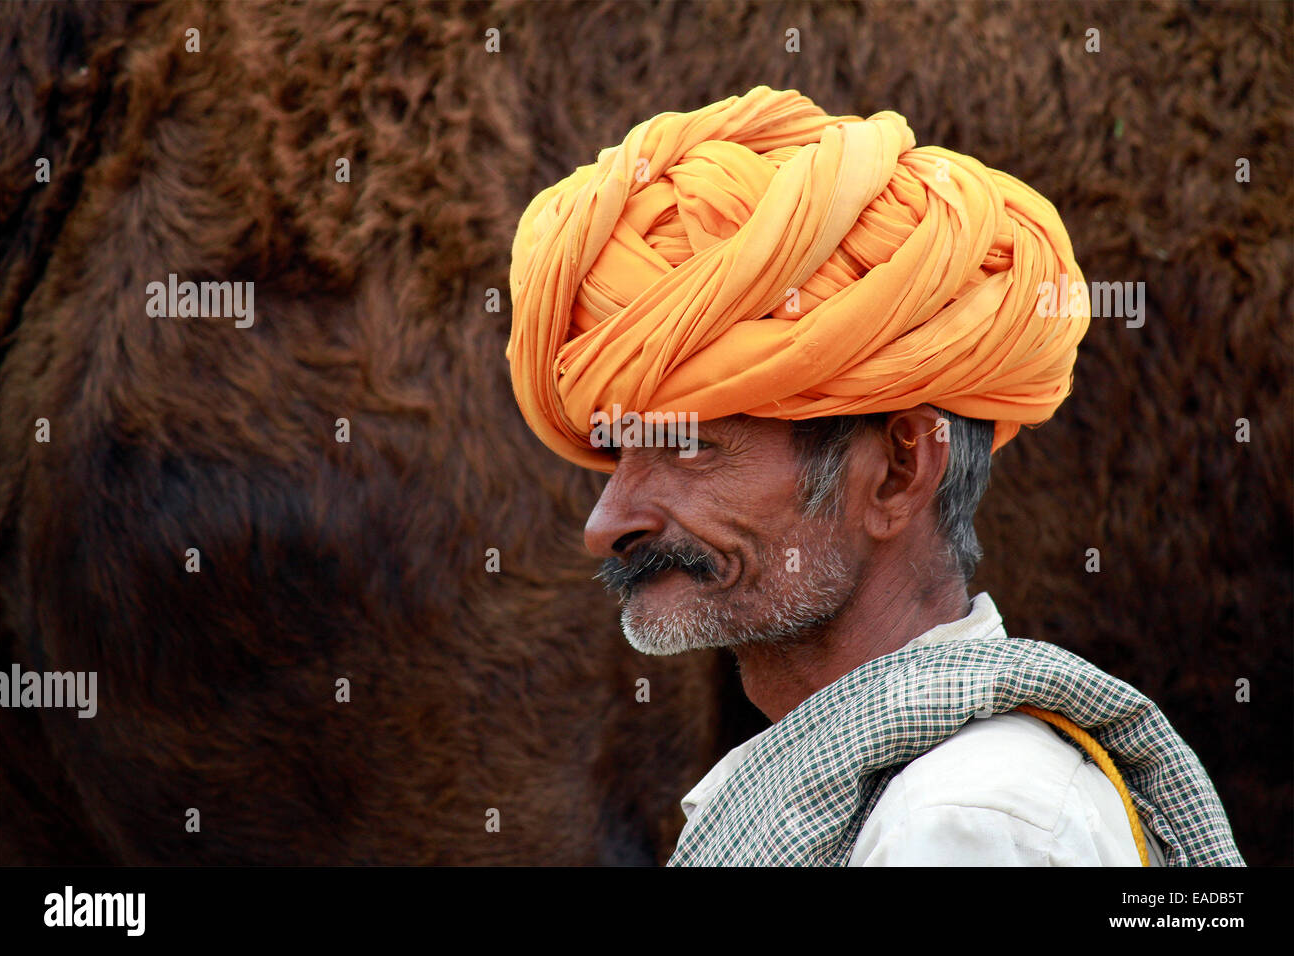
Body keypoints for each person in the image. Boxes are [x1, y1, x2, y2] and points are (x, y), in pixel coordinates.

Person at [506, 86, 1243, 866]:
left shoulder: (965, 821)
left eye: (690, 448)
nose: (605, 524)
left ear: (898, 471)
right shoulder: (882, 798)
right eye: (621, 454)